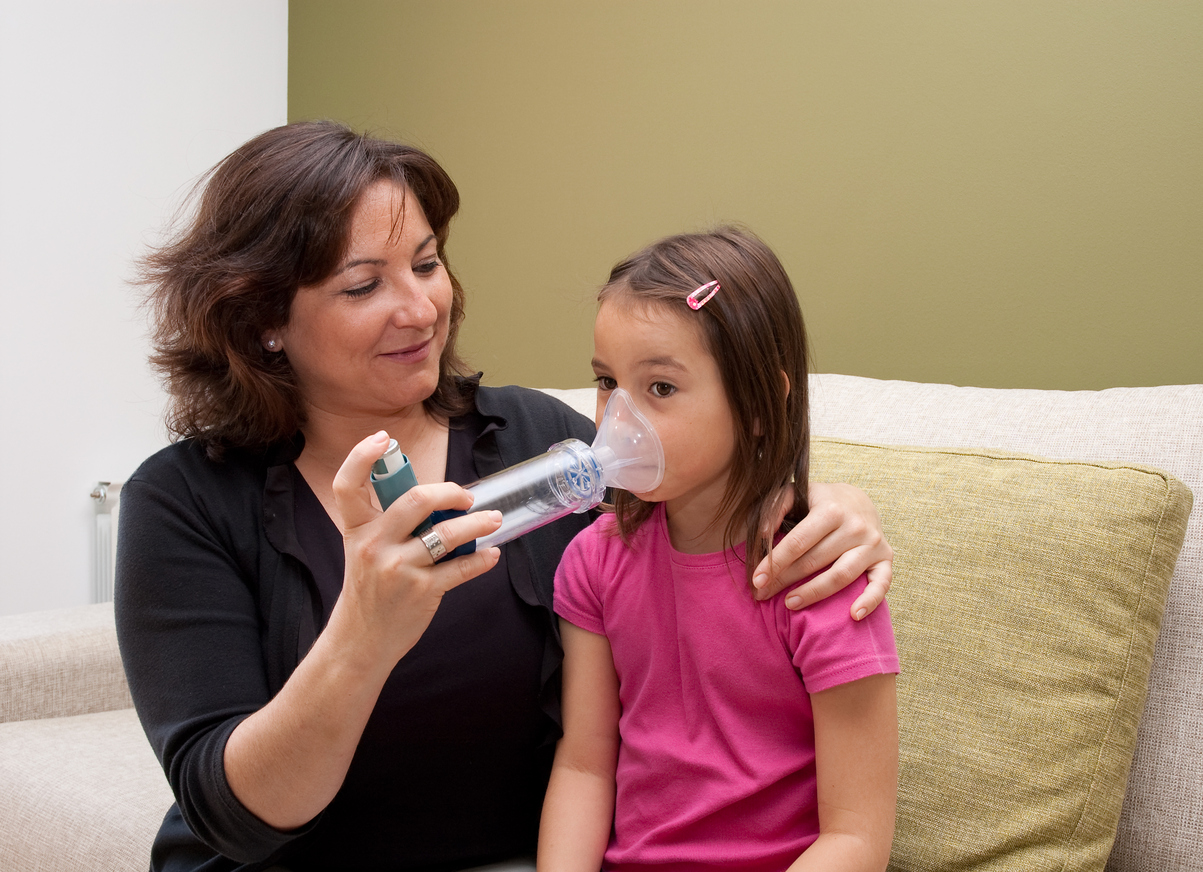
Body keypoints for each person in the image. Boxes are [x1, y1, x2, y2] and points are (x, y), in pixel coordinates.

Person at [114, 121, 894, 872]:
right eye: (362, 285)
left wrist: (823, 502)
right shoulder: (185, 502)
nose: (420, 308)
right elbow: (231, 816)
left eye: (425, 265)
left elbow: (699, 490)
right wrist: (363, 633)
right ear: (262, 321)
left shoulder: (536, 440)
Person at [539, 228, 899, 872]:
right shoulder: (594, 562)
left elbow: (857, 839)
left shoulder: (822, 576)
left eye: (661, 389)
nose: (618, 419)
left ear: (760, 405)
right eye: (605, 382)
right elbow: (586, 765)